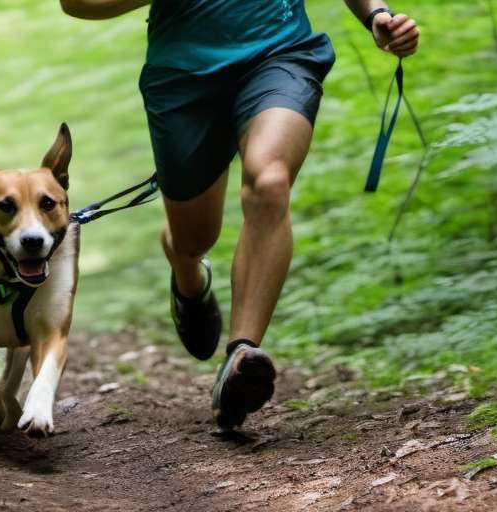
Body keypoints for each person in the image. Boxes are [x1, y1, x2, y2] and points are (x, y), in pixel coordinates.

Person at [60, 0, 420, 430]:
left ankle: (241, 356)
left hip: (281, 53)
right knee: (194, 238)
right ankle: (188, 275)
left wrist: (377, 15)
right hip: (183, 76)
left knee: (270, 182)